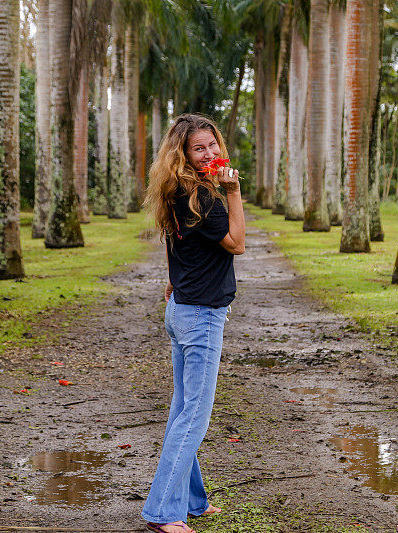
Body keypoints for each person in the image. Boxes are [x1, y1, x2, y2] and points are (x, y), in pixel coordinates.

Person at [140, 113, 245, 533]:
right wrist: (234, 192)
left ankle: (194, 500)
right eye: (199, 148)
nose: (210, 153)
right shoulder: (205, 196)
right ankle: (163, 512)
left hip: (182, 308)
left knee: (184, 408)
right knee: (194, 416)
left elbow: (174, 246)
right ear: (183, 154)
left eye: (213, 144)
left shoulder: (175, 189)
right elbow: (237, 244)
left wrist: (172, 282)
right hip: (200, 315)